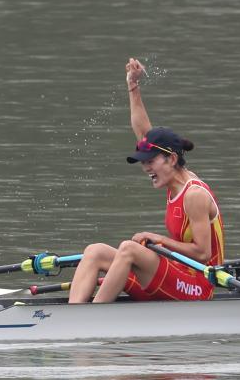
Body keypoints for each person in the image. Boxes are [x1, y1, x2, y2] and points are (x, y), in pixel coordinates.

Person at [68, 58, 226, 303]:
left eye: (150, 161)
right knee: (95, 251)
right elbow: (144, 133)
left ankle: (92, 319)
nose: (145, 167)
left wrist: (161, 239)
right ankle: (73, 316)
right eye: (143, 161)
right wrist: (133, 86)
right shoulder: (173, 177)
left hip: (199, 286)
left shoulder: (194, 195)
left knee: (129, 249)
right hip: (176, 276)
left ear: (171, 159)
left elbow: (203, 254)